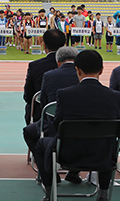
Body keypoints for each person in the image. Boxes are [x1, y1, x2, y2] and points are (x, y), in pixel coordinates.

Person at [36, 50, 120, 201]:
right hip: (103, 155)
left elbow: (57, 124)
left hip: (69, 154)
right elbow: (117, 125)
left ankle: (49, 193)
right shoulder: (114, 96)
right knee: (108, 143)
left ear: (77, 69)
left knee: (41, 144)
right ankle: (103, 193)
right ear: (101, 70)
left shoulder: (64, 94)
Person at [24, 46, 80, 184]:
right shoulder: (82, 75)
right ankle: (73, 171)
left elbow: (43, 105)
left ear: (58, 62)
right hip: (83, 131)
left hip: (54, 129)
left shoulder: (49, 76)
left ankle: (49, 174)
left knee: (28, 132)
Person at [23, 30, 66, 124]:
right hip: (67, 117)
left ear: (44, 45)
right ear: (64, 45)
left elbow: (28, 96)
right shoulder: (73, 67)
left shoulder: (35, 66)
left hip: (41, 117)